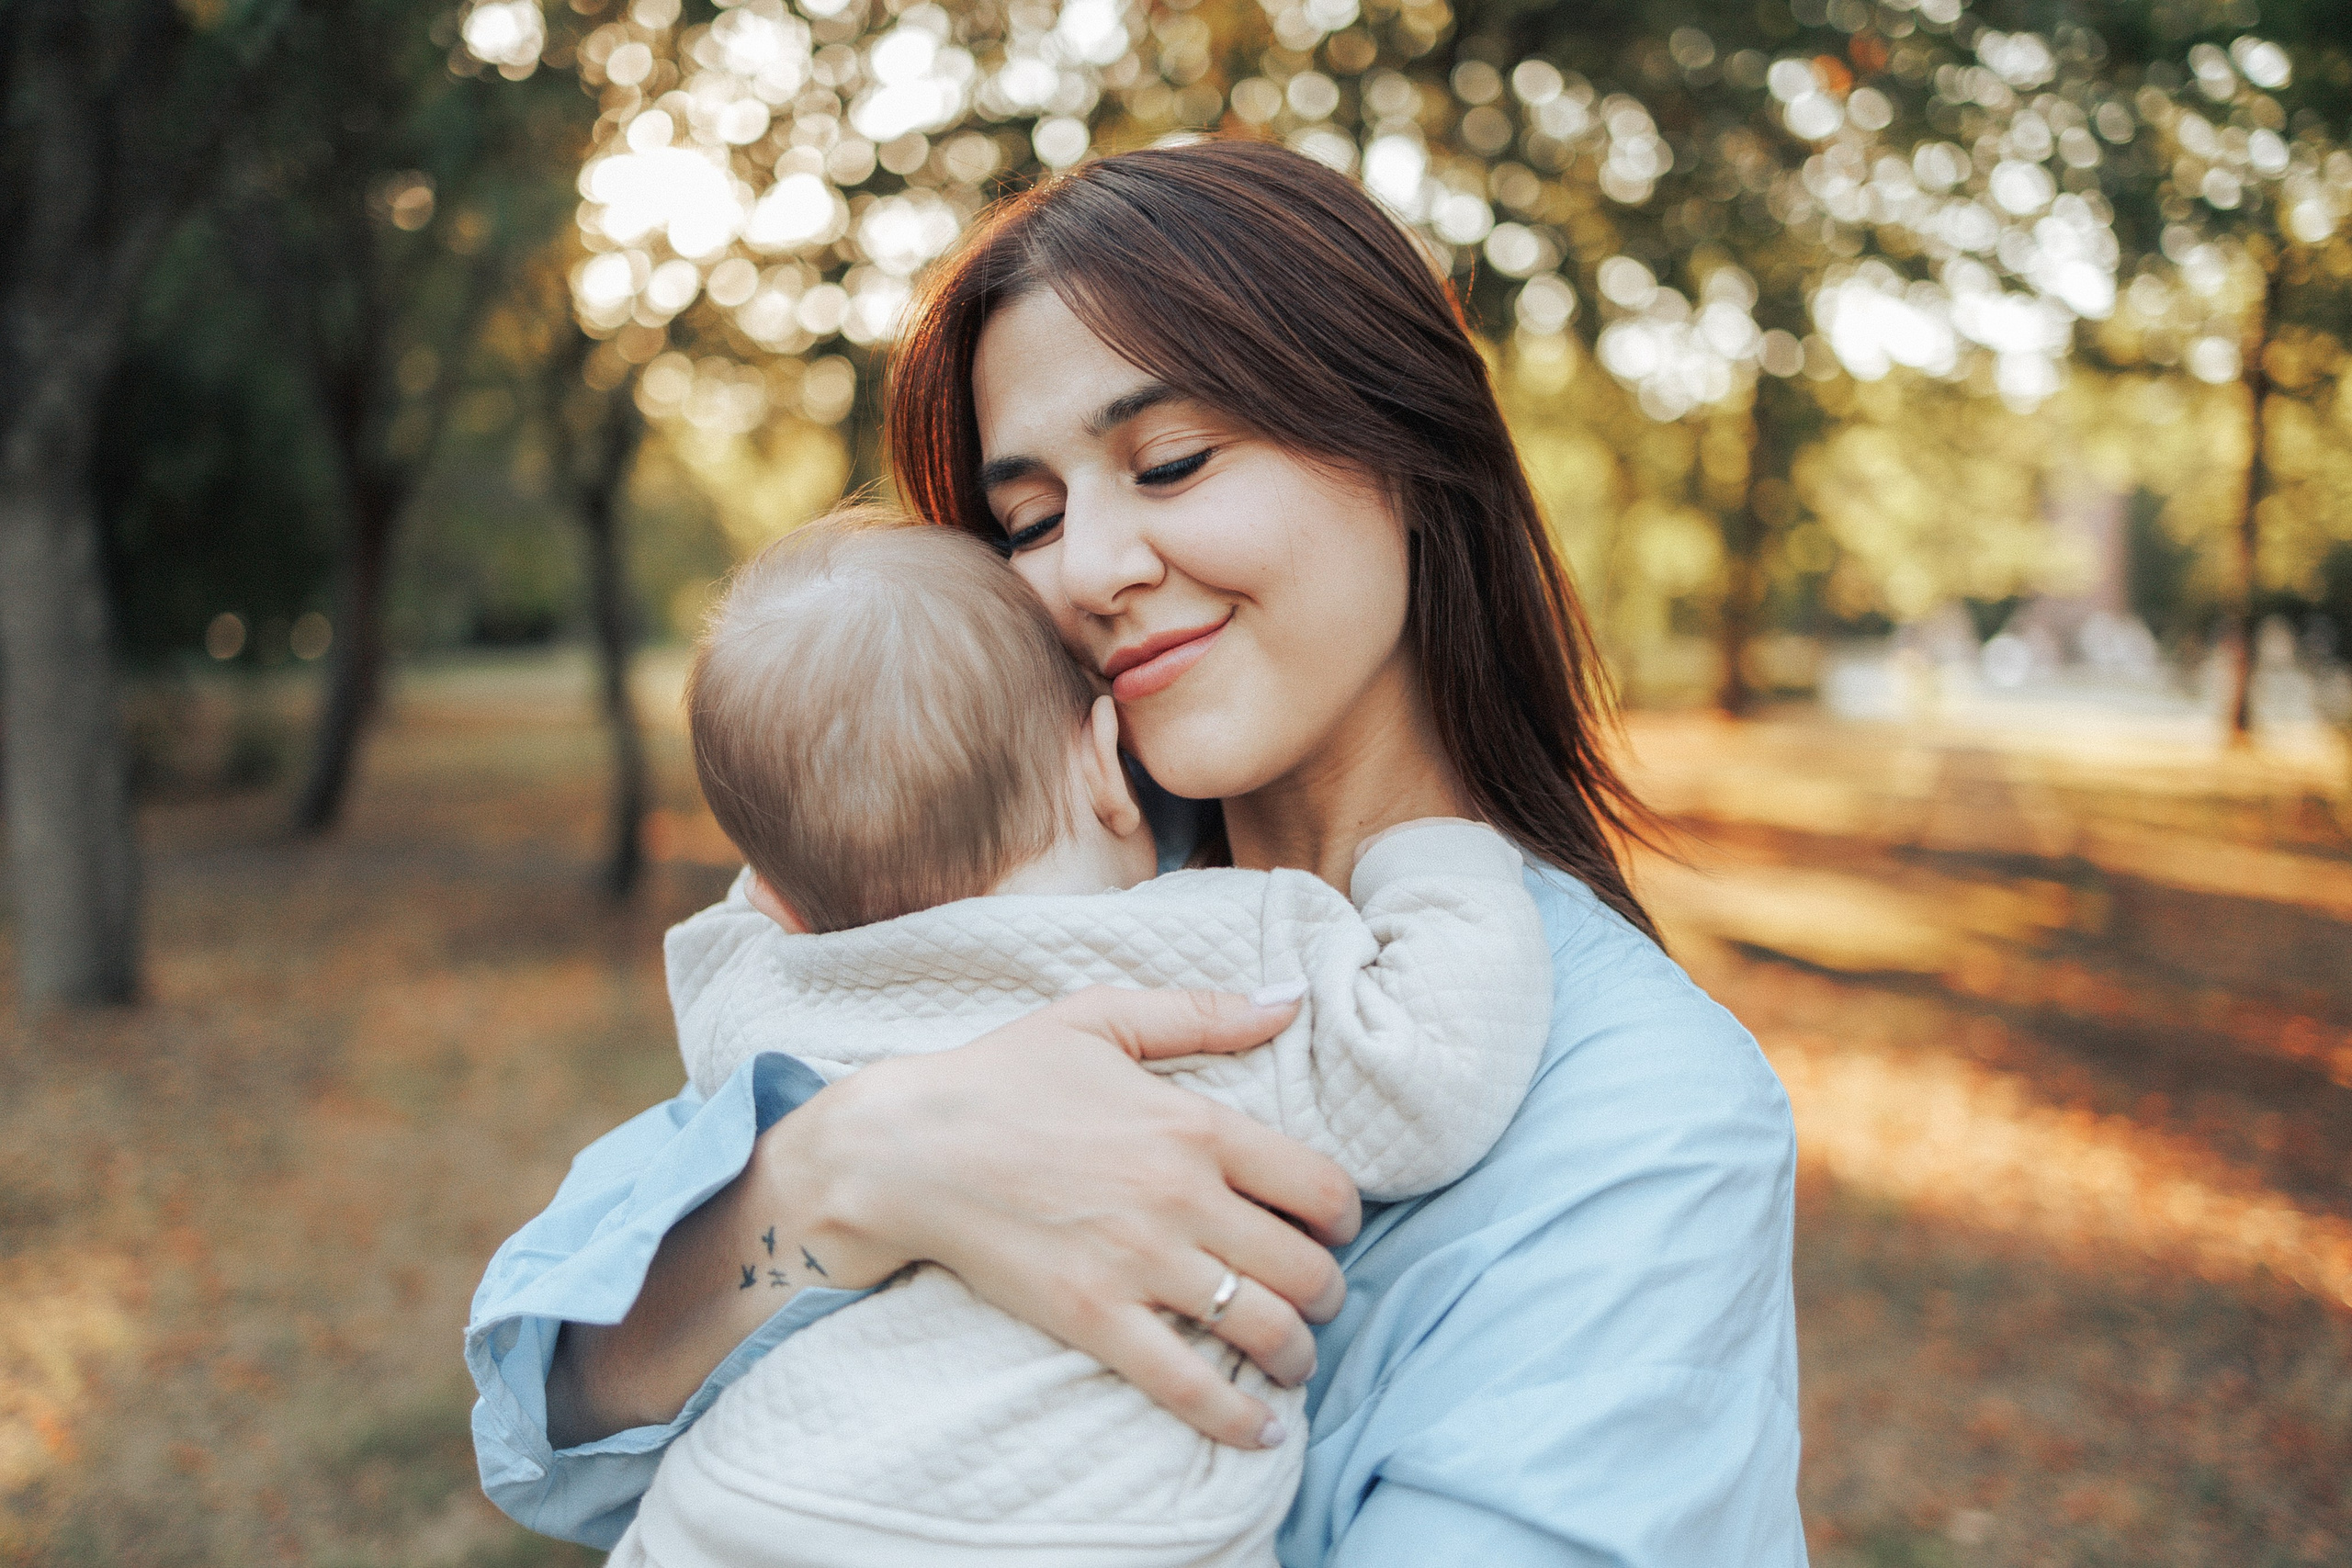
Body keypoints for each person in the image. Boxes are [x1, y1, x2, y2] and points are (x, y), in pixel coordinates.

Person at [469, 138, 1807, 1566]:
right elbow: (551, 1415)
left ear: (1408, 443)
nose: (1093, 565)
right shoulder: (983, 901)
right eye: (1027, 518)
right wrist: (851, 1173)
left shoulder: (1639, 1116)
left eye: (1169, 460)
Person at [615, 510, 1551, 1566]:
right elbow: (1423, 1081)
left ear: (776, 899)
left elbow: (725, 944)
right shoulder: (1218, 949)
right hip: (1082, 1526)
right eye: (1034, 519)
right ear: (1106, 763)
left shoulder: (766, 989)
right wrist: (1436, 857)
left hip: (730, 1509)